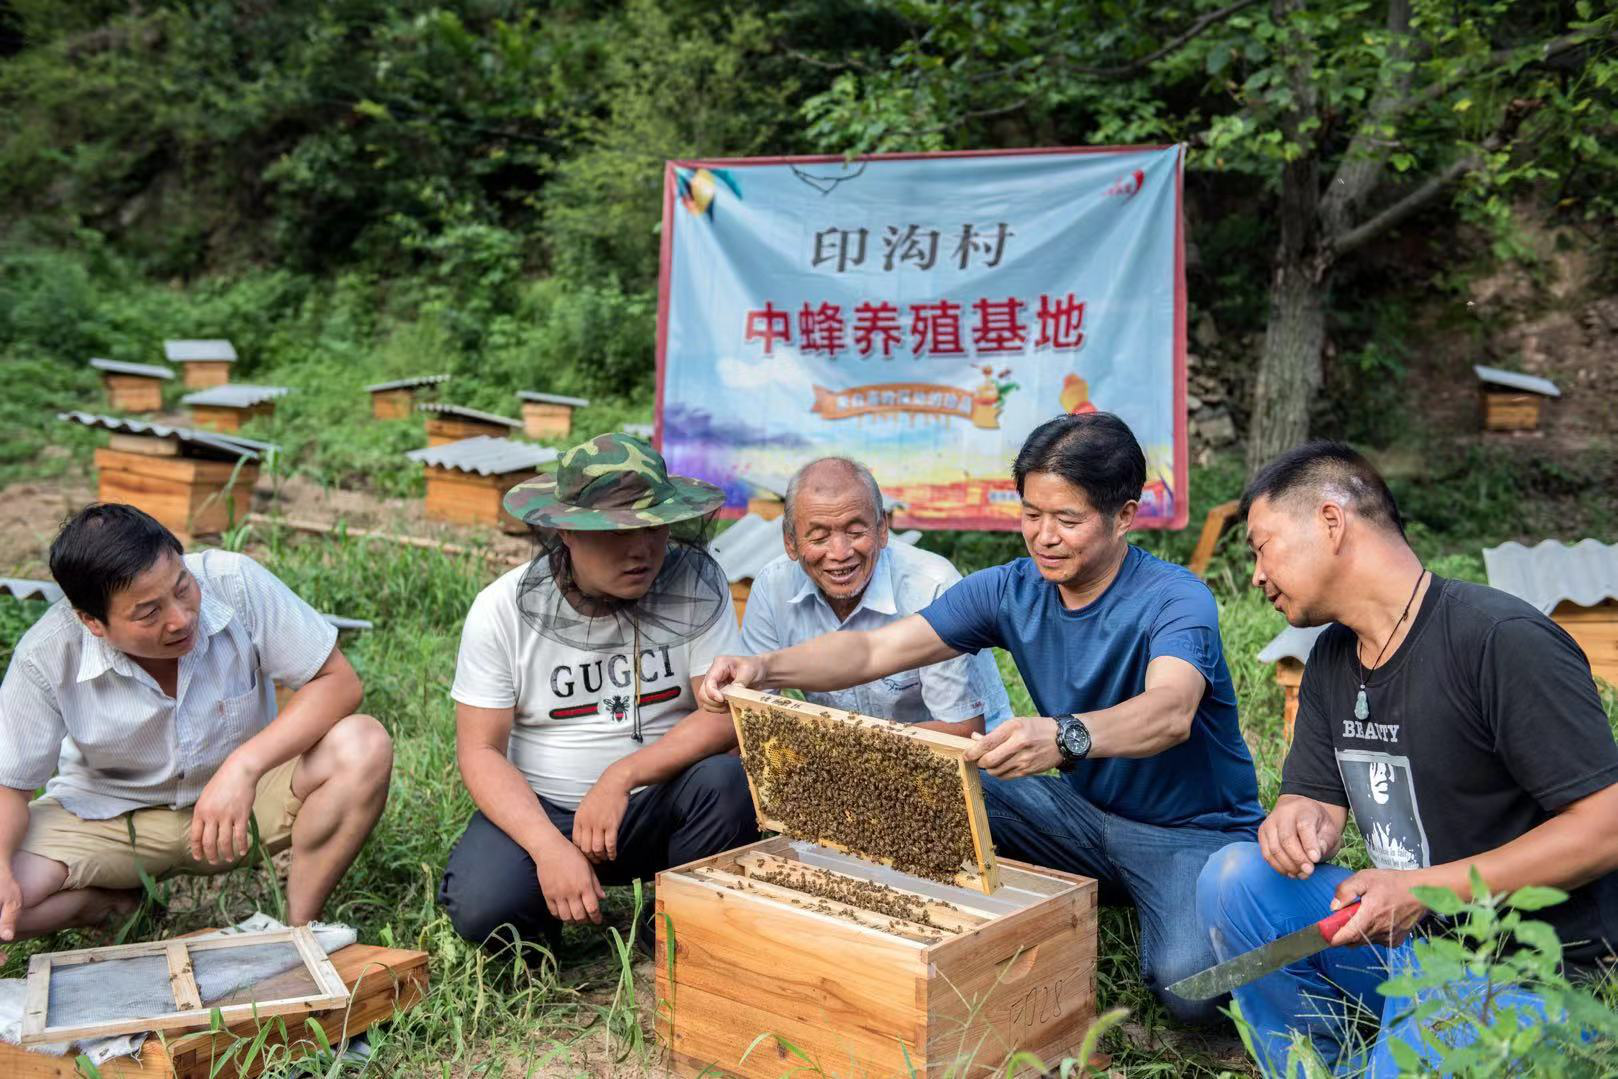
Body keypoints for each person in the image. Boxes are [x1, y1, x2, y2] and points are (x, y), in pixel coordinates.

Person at [703, 413, 1263, 1021]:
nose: (1044, 537)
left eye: (1068, 520)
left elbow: (1170, 712)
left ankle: (1208, 899)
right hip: (1081, 818)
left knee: (1193, 991)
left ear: (1124, 516)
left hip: (1190, 833)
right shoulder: (1009, 589)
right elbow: (871, 650)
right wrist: (765, 669)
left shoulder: (1176, 598)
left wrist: (1062, 736)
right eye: (1031, 515)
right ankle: (916, 947)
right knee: (919, 779)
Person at [1195, 442, 1618, 1075]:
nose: (1255, 573)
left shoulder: (1499, 640)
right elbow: (1314, 796)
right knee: (1235, 878)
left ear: (1332, 523)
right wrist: (1298, 820)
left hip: (1529, 970)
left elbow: (1608, 828)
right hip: (1401, 942)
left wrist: (1426, 890)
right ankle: (1314, 1061)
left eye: (1262, 545)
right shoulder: (1332, 659)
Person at [0, 504, 393, 942]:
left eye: (182, 586)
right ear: (92, 621)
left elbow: (338, 683)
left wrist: (243, 767)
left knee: (363, 744)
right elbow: (9, 785)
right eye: (149, 612)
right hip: (110, 817)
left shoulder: (236, 582)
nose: (181, 618)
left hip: (246, 803)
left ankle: (299, 931)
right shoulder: (46, 654)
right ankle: (112, 904)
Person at [438, 433, 758, 957]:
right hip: (546, 810)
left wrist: (623, 775)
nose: (643, 550)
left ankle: (679, 932)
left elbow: (724, 716)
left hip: (660, 804)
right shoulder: (499, 609)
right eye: (615, 533)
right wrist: (548, 849)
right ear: (566, 531)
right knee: (484, 905)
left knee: (728, 783)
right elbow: (479, 751)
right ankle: (547, 926)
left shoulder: (696, 587)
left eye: (655, 528)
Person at [740, 457, 1012, 737]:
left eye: (856, 532)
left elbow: (962, 731)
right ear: (790, 542)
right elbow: (752, 710)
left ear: (882, 529)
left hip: (971, 765)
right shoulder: (773, 586)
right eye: (819, 538)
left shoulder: (932, 586)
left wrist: (844, 751)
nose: (840, 552)